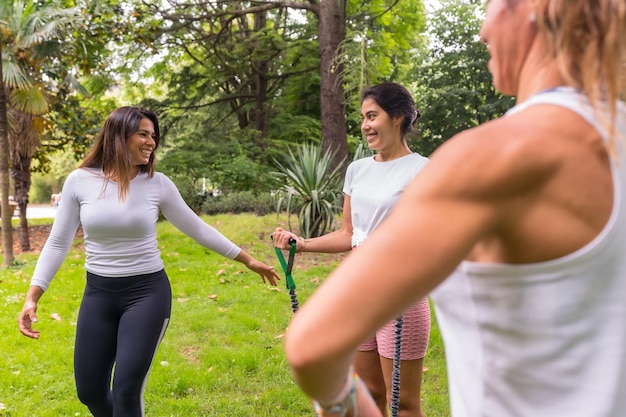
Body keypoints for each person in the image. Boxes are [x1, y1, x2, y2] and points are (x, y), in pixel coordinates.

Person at [283, 0, 626, 416]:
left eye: (492, 5)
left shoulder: (491, 158)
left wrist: (343, 405)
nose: (483, 30)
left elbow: (311, 345)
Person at [17, 106, 280, 417]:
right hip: (99, 294)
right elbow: (58, 242)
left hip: (146, 294)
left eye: (153, 136)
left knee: (127, 389)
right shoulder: (80, 181)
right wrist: (33, 296)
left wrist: (247, 260)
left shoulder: (157, 183)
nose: (151, 142)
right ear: (118, 136)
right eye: (143, 134)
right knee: (89, 392)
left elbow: (197, 227)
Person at [273, 81, 431, 417]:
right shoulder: (357, 170)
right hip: (358, 291)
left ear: (398, 117)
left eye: (372, 116)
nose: (365, 125)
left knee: (402, 401)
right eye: (362, 117)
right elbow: (350, 233)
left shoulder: (423, 170)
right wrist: (302, 244)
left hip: (399, 294)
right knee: (369, 393)